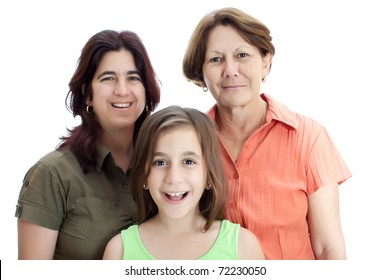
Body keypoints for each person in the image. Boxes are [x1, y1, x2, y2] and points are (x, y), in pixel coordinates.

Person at [182, 7, 352, 260]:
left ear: (265, 61)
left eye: (242, 55)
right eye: (215, 59)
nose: (230, 70)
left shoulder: (308, 137)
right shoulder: (186, 141)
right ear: (201, 73)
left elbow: (328, 248)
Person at [15, 30, 161, 259]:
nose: (122, 90)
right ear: (87, 94)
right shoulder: (52, 175)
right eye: (108, 78)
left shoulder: (165, 165)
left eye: (133, 78)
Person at [103, 106, 265, 260]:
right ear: (144, 177)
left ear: (209, 176)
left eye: (188, 161)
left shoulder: (243, 247)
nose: (173, 178)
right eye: (160, 162)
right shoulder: (119, 251)